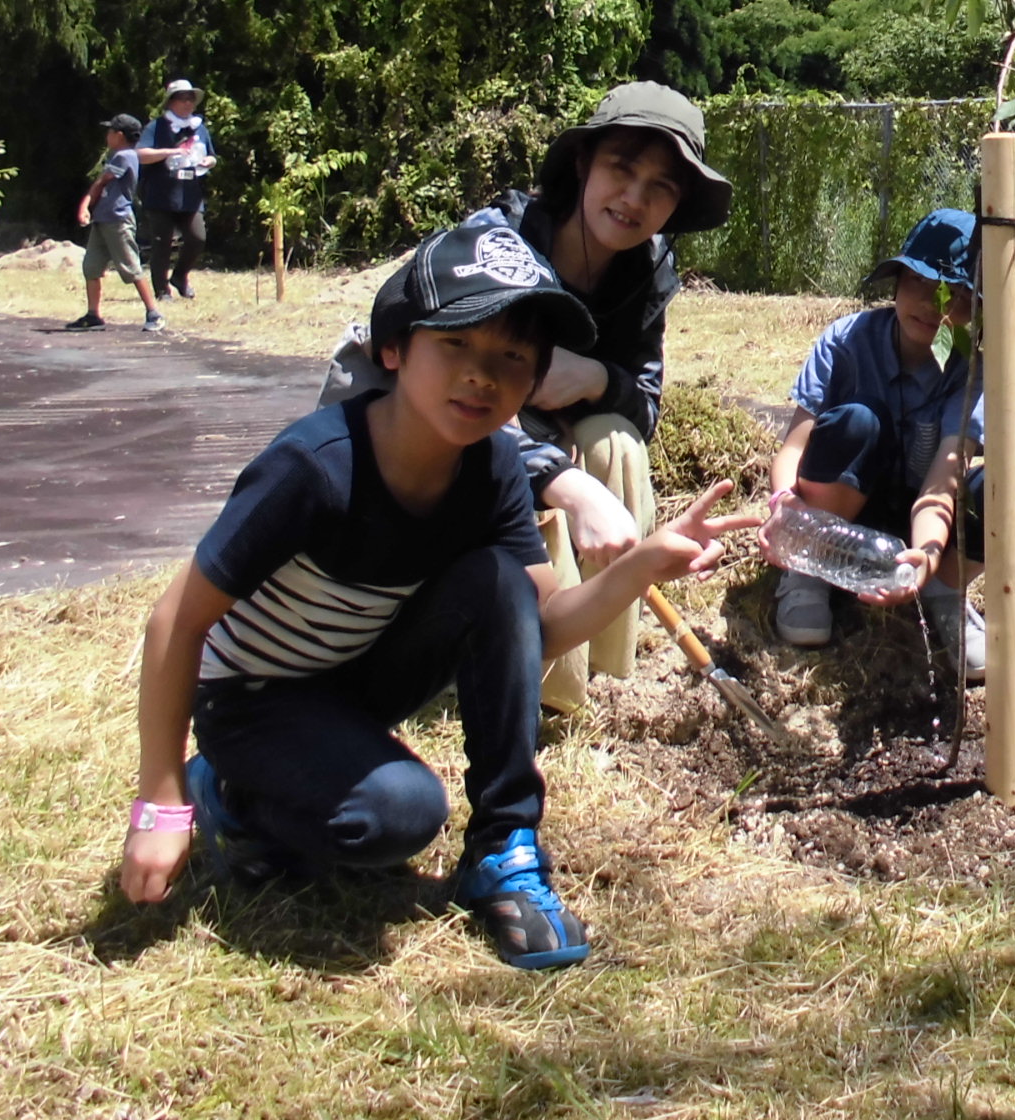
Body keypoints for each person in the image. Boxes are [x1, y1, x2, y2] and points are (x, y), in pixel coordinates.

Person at [115, 222, 755, 969]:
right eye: (456, 343)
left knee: (493, 581)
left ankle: (502, 848)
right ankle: (230, 791)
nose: (483, 375)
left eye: (513, 357)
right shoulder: (314, 467)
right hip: (253, 698)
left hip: (356, 682)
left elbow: (538, 625)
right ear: (394, 348)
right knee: (398, 817)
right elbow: (174, 623)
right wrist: (160, 805)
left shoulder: (490, 471)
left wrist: (638, 566)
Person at [321, 83, 733, 713]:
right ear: (582, 164)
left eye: (661, 187)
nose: (635, 200)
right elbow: (454, 397)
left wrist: (593, 377)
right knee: (543, 491)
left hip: (536, 432)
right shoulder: (500, 244)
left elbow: (644, 405)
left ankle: (602, 667)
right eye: (622, 170)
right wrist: (567, 483)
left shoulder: (647, 271)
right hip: (439, 434)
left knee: (617, 442)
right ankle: (535, 689)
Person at [767, 207, 1015, 681]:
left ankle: (942, 592)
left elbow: (943, 482)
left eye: (956, 296)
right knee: (857, 423)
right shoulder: (845, 341)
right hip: (839, 509)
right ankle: (810, 572)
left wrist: (928, 557)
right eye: (920, 281)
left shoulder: (971, 374)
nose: (932, 305)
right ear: (896, 281)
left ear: (978, 314)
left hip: (919, 526)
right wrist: (782, 510)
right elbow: (794, 448)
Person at [68, 114, 165, 334]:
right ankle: (93, 315)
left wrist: (84, 205)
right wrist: (89, 208)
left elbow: (102, 182)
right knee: (91, 267)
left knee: (131, 267)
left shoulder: (125, 156)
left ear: (119, 135)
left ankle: (154, 312)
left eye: (110, 131)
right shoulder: (116, 156)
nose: (107, 135)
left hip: (118, 220)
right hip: (103, 219)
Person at [136, 80, 216, 301]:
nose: (188, 103)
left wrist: (209, 161)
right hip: (160, 194)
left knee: (197, 237)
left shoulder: (200, 127)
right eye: (182, 98)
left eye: (191, 98)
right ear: (171, 102)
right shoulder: (156, 126)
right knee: (162, 243)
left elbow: (210, 154)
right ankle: (161, 290)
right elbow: (140, 154)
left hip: (190, 194)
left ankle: (180, 276)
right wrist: (169, 152)